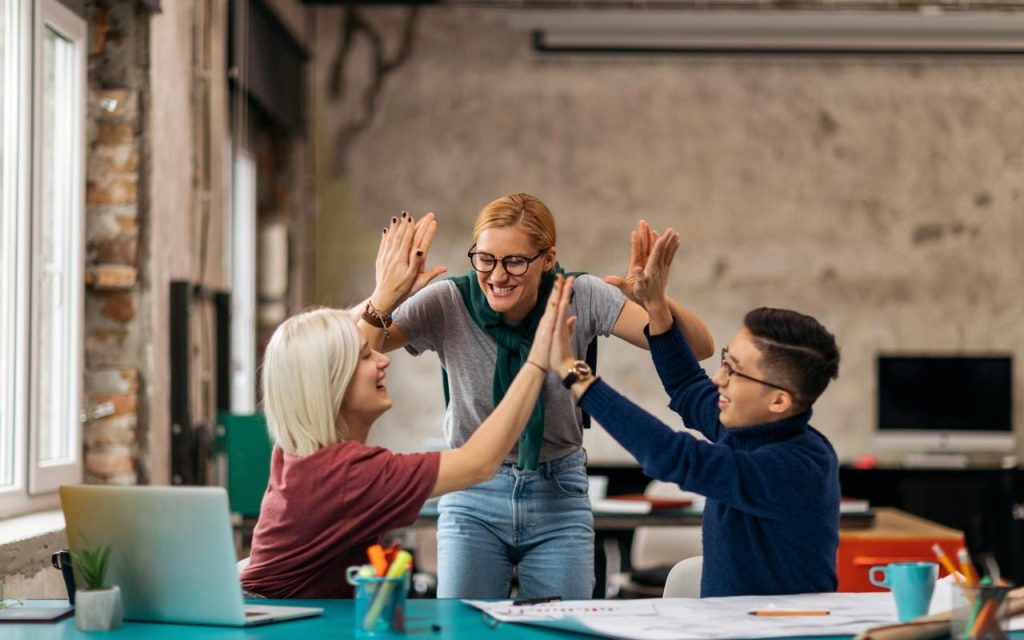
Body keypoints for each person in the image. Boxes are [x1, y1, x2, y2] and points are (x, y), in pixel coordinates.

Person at [358, 194, 715, 599]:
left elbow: (698, 349)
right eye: (485, 258)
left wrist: (655, 300)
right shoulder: (449, 301)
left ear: (547, 259)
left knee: (563, 629)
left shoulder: (581, 295)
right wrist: (385, 294)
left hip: (557, 493)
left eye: (515, 261)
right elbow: (356, 347)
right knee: (463, 630)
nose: (497, 275)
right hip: (473, 492)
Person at [239, 214, 574, 599]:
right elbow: (479, 462)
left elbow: (327, 356)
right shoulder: (349, 475)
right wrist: (537, 361)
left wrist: (386, 296)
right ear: (329, 383)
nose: (383, 359)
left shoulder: (300, 454)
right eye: (366, 357)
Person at [549, 225, 841, 597]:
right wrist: (655, 306)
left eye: (734, 370)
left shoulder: (797, 466)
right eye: (724, 361)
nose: (719, 378)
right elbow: (688, 386)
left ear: (779, 400)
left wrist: (576, 375)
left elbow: (673, 457)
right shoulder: (744, 431)